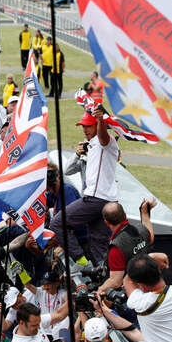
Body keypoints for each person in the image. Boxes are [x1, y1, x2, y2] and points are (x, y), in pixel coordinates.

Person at [49, 107, 118, 265]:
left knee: (57, 223)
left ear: (98, 125)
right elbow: (66, 170)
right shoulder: (89, 145)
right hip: (105, 201)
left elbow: (103, 137)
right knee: (99, 246)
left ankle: (82, 263)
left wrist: (101, 120)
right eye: (83, 126)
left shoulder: (106, 141)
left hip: (96, 199)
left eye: (88, 125)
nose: (84, 129)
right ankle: (102, 276)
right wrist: (78, 154)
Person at [97, 199, 156, 293]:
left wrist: (100, 289)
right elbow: (150, 236)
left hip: (130, 295)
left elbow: (115, 282)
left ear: (106, 222)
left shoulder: (116, 248)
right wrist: (144, 213)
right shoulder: (141, 229)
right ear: (124, 214)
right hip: (149, 285)